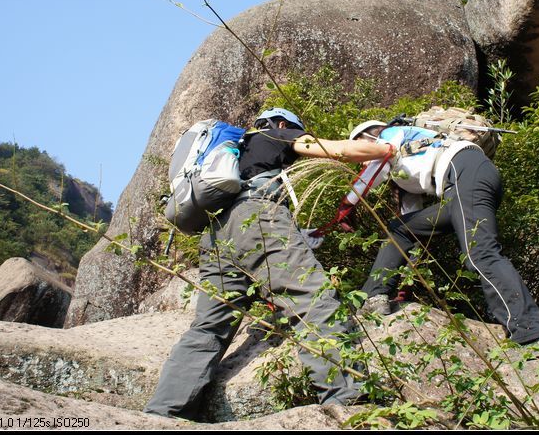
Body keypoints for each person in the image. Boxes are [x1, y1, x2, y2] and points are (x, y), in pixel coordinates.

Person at [144, 108, 394, 420]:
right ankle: (351, 406)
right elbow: (341, 150)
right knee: (314, 303)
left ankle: (162, 413)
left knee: (208, 328)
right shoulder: (274, 133)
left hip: (216, 237)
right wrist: (391, 147)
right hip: (257, 219)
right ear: (281, 124)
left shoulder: (239, 152)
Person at [342, 119, 539, 350]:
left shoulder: (392, 133)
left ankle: (532, 333)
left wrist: (345, 206)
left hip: (466, 171)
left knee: (480, 254)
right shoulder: (402, 173)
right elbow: (413, 235)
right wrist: (404, 288)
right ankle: (374, 296)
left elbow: (377, 164)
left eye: (359, 146)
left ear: (370, 136)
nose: (361, 159)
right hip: (460, 187)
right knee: (400, 229)